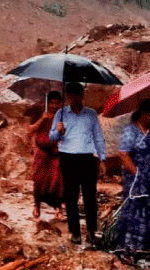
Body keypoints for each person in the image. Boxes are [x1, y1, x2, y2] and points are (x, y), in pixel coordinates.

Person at [49, 82, 106, 246]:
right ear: (67, 97)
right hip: (68, 158)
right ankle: (75, 233)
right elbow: (52, 138)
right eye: (71, 96)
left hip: (88, 158)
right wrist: (58, 131)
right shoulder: (60, 114)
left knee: (90, 197)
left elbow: (98, 136)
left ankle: (91, 232)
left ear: (82, 96)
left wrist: (102, 157)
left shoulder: (91, 114)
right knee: (71, 197)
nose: (74, 99)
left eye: (77, 95)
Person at [112, 99, 150, 255]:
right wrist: (138, 175)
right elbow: (123, 154)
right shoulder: (130, 131)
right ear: (144, 114)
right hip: (136, 181)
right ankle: (132, 248)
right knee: (136, 211)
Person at [28, 91, 64, 220]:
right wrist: (42, 119)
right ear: (47, 102)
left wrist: (62, 129)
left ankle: (58, 209)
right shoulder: (39, 113)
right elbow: (30, 129)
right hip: (42, 152)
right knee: (38, 180)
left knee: (58, 182)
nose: (54, 106)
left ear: (60, 103)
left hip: (56, 152)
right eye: (52, 103)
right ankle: (37, 206)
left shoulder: (63, 116)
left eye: (57, 103)